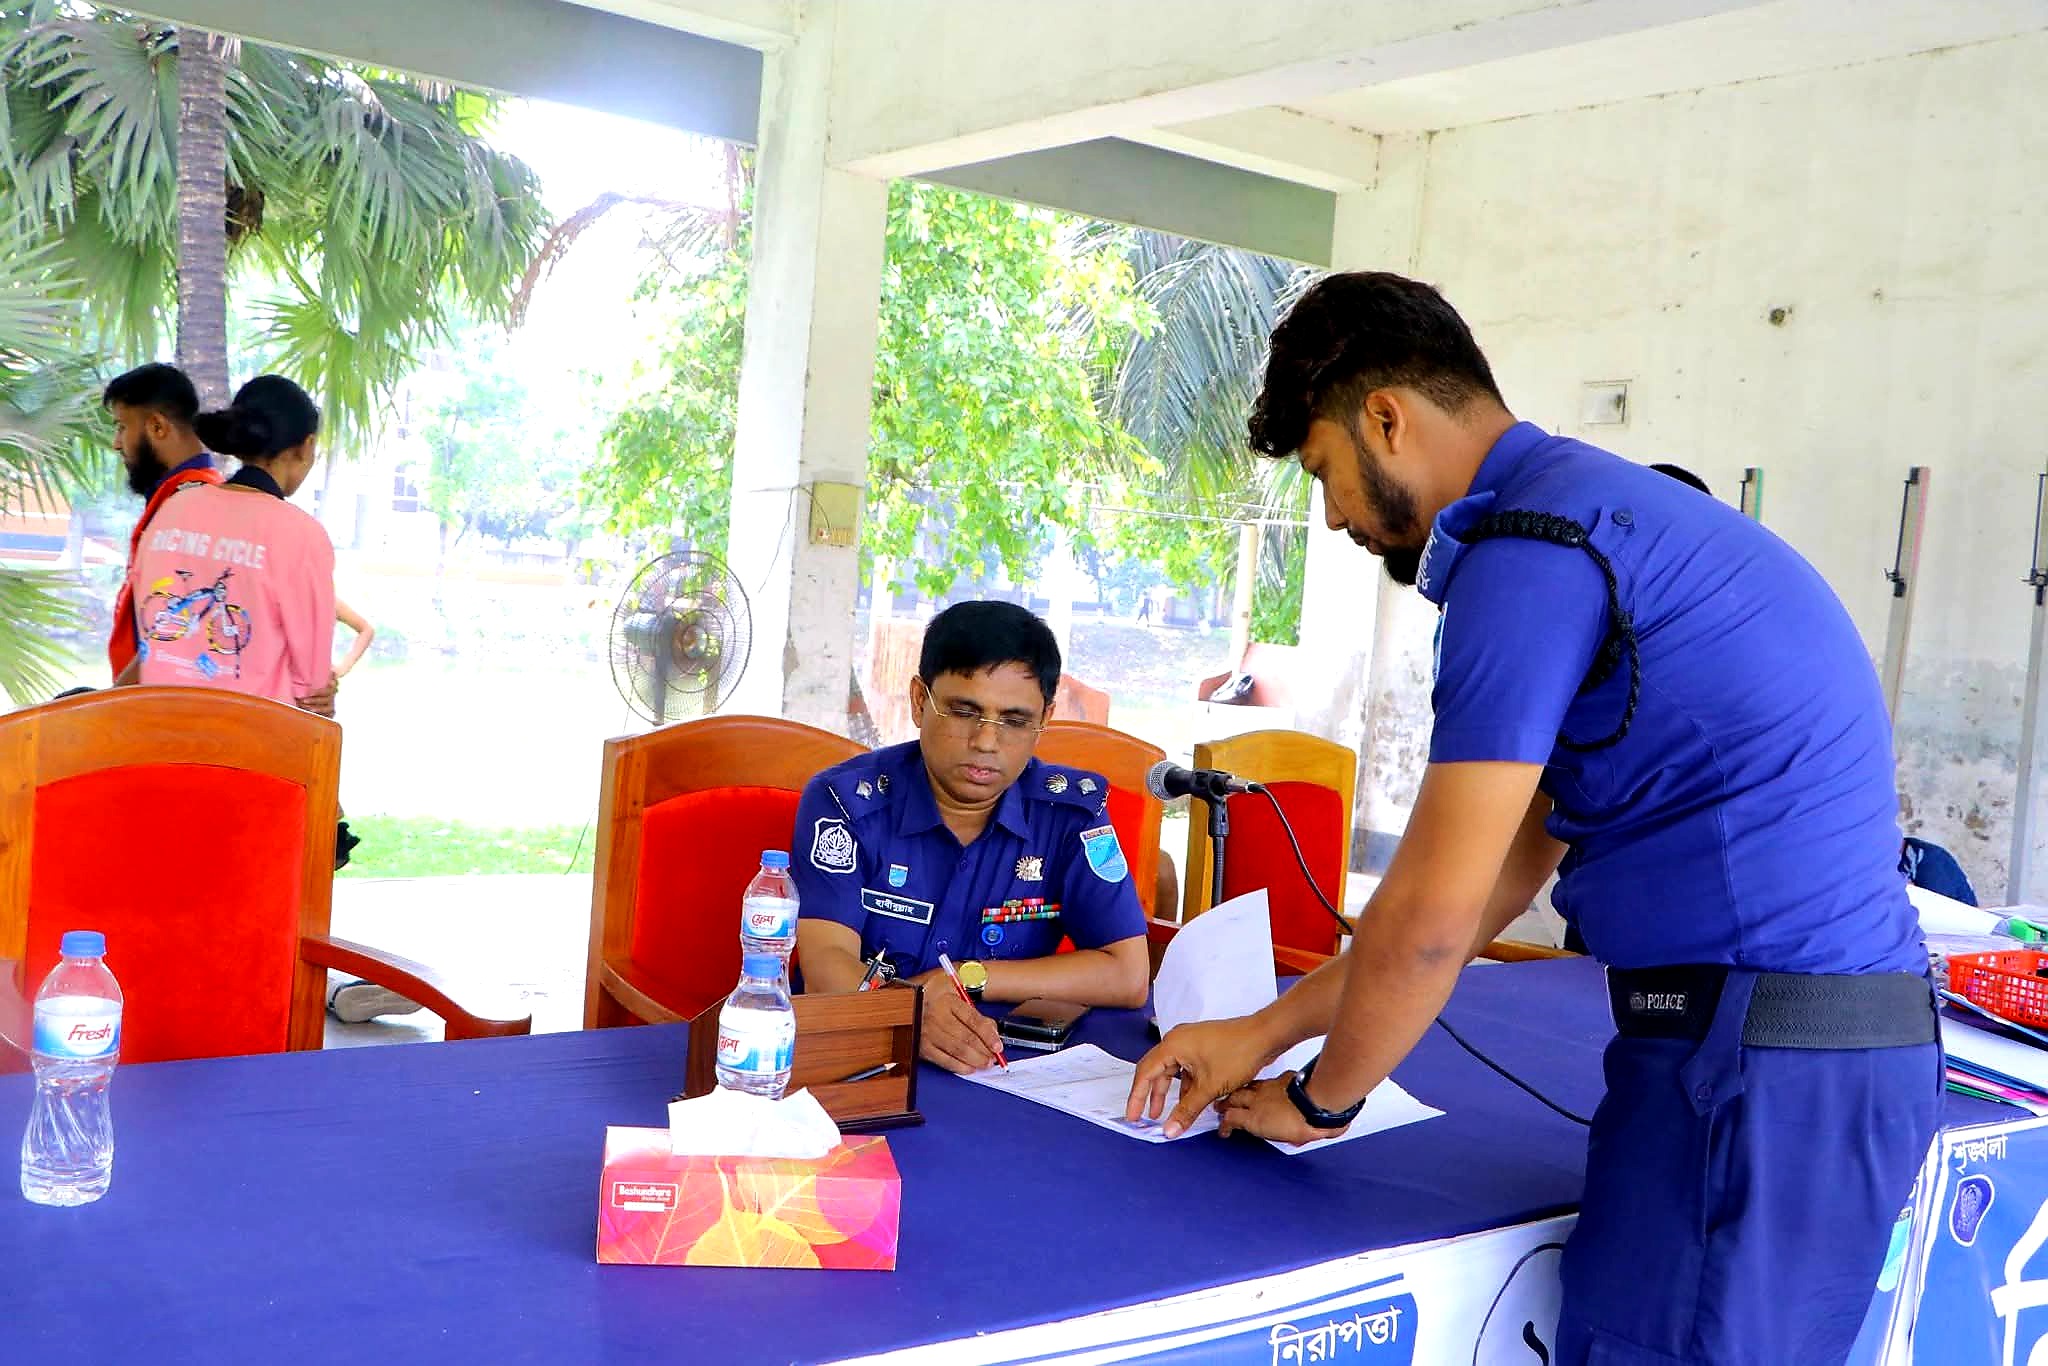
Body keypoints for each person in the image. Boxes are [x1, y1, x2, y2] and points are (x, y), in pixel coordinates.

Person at [1126, 272, 1939, 1365]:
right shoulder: (1612, 521)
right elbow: (1487, 891)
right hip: (1811, 1058)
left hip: (1757, 1072)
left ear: (1384, 419)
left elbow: (1424, 914)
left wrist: (1319, 1103)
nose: (1332, 517)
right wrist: (1258, 1033)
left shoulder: (1529, 553)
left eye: (1323, 472)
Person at [792, 601, 1149, 1073]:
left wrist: (968, 978)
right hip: (861, 1057)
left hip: (1003, 1067)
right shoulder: (846, 804)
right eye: (964, 712)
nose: (986, 741)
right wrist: (912, 1013)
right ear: (920, 702)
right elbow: (824, 969)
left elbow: (1127, 974)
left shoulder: (1070, 814)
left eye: (1015, 720)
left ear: (1045, 718)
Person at [103, 364, 222, 685]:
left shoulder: (193, 504)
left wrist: (113, 702)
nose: (117, 443)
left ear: (157, 426)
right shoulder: (178, 496)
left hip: (160, 703)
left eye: (121, 427)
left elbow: (170, 633)